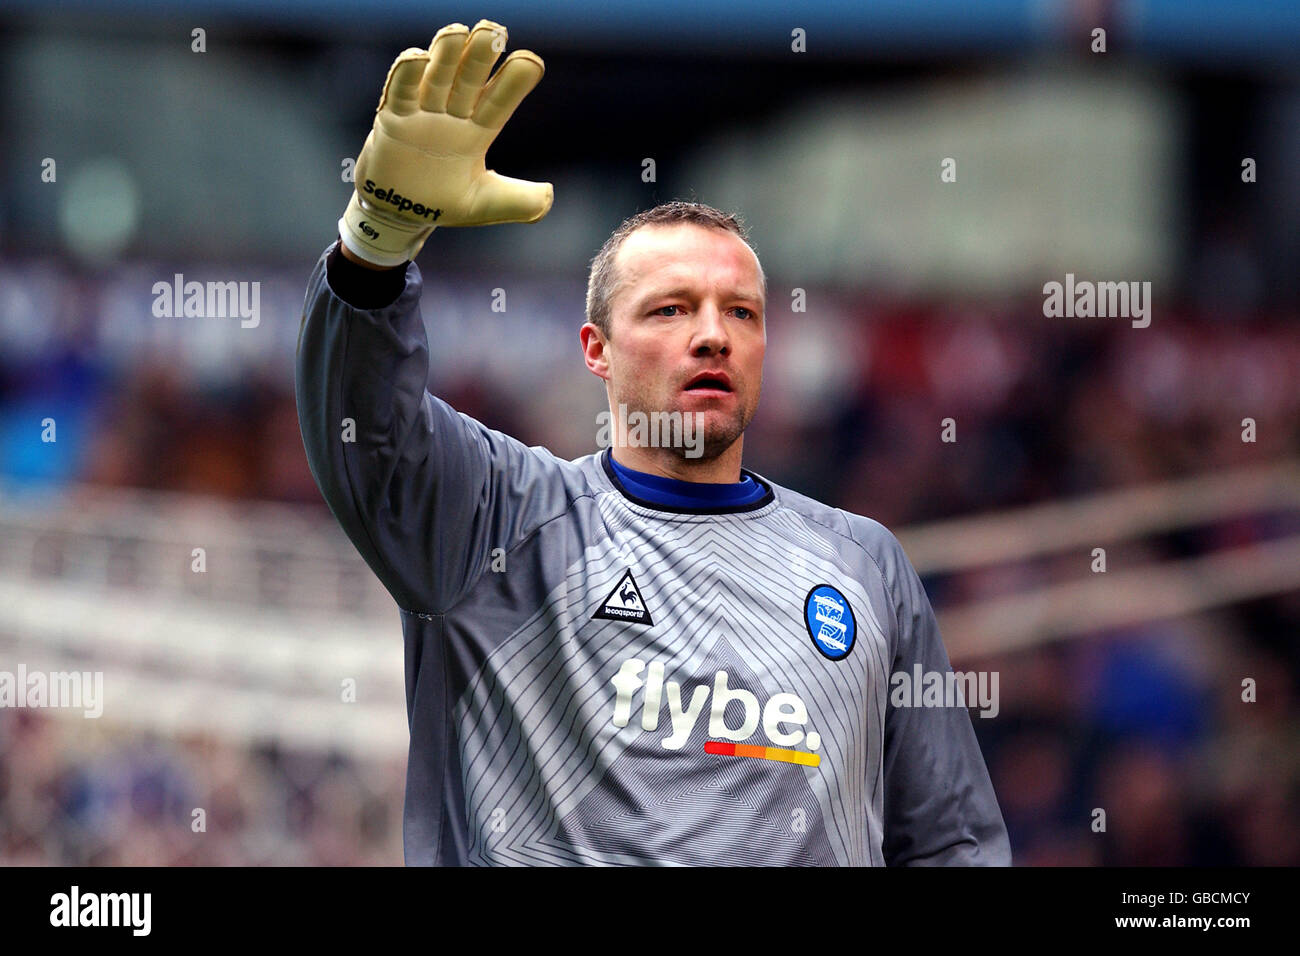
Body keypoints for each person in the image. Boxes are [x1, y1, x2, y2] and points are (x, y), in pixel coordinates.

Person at [296, 18, 1011, 866]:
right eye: (671, 309)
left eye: (739, 313)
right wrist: (376, 244)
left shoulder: (866, 566)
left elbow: (952, 843)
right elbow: (366, 428)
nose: (713, 336)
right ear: (596, 349)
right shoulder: (493, 520)